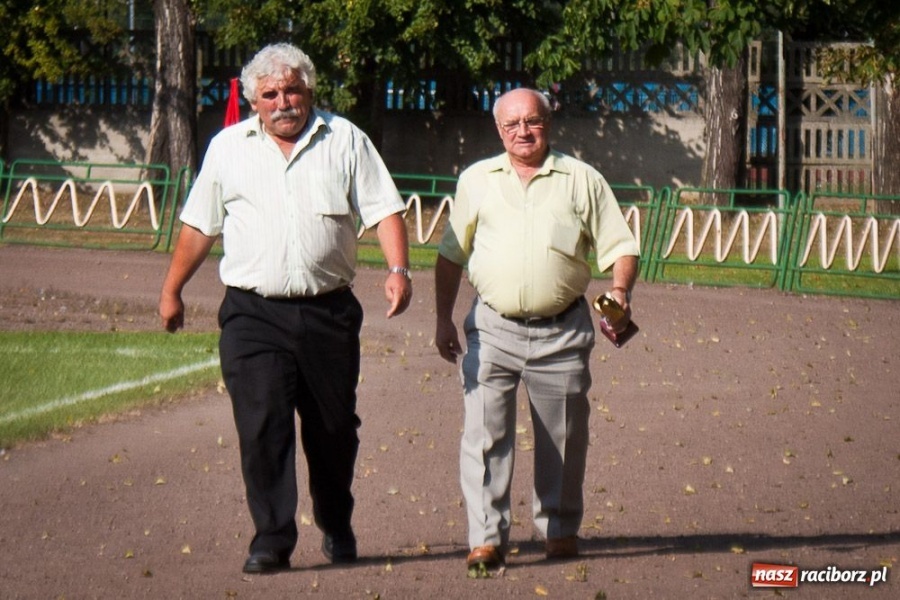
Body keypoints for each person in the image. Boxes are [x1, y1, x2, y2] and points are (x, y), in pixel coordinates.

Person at [159, 43, 412, 575]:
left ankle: (335, 521)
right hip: (254, 316)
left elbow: (385, 208)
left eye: (292, 89)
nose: (282, 101)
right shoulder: (228, 148)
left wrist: (397, 270)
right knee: (262, 425)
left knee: (333, 429)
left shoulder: (345, 139)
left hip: (328, 314)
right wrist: (172, 289)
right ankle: (271, 538)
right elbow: (200, 225)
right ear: (253, 99)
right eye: (270, 93)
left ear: (309, 91)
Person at [434, 87, 640, 570]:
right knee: (484, 436)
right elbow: (449, 255)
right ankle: (486, 537)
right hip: (492, 329)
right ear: (498, 129)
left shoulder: (582, 179)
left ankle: (559, 529)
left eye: (533, 121)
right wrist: (442, 317)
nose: (523, 132)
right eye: (512, 125)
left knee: (563, 436)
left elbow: (619, 245)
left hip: (562, 331)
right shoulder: (476, 180)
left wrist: (621, 291)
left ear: (549, 121)